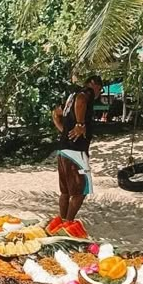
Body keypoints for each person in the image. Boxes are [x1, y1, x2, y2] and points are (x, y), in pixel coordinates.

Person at [51, 74, 102, 226]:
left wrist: (63, 131)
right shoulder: (86, 93)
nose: (99, 93)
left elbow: (55, 113)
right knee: (80, 192)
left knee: (65, 192)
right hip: (76, 151)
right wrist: (80, 124)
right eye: (100, 89)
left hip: (63, 150)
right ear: (94, 84)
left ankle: (62, 222)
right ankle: (68, 223)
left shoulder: (70, 97)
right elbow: (81, 99)